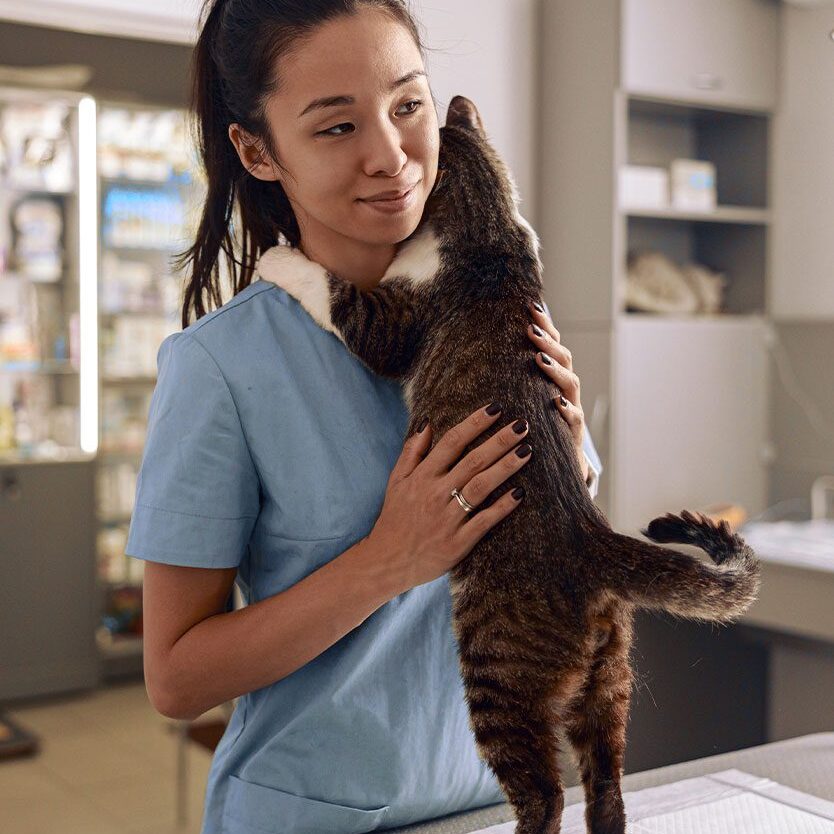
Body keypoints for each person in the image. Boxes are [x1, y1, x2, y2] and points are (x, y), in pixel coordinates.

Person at [125, 1, 603, 832]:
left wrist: (574, 470)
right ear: (258, 151)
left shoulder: (497, 312)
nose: (391, 157)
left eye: (407, 105)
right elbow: (175, 679)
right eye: (337, 128)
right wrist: (387, 561)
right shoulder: (221, 368)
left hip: (492, 807)